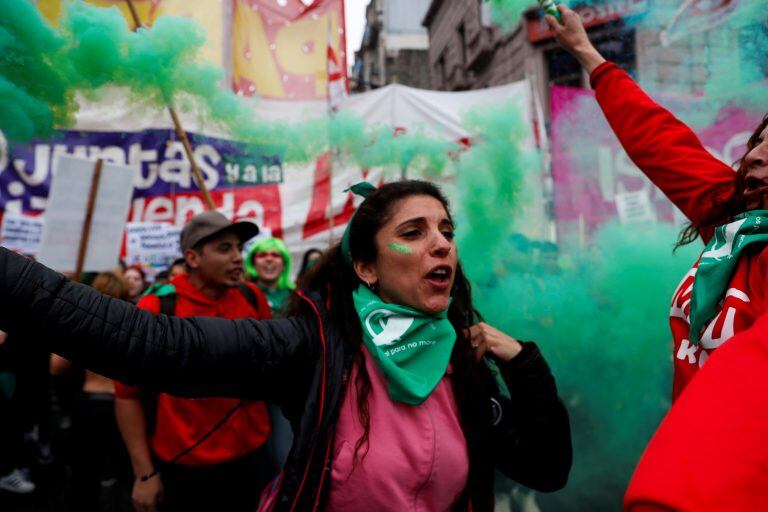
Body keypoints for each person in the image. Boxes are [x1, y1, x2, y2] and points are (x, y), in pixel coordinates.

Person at [0, 180, 572, 511]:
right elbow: (154, 346)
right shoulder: (315, 343)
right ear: (367, 267)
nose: (442, 245)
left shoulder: (461, 360)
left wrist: (525, 365)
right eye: (414, 232)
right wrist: (13, 281)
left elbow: (546, 469)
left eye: (447, 231)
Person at [548, 5, 768, 510]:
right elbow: (659, 140)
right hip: (692, 475)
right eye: (758, 142)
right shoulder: (730, 220)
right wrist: (585, 51)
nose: (755, 154)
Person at [113, 211, 276, 512]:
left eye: (239, 248)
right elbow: (127, 396)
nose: (238, 258)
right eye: (224, 249)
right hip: (185, 467)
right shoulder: (158, 306)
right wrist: (144, 472)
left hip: (253, 458)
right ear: (192, 257)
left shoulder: (252, 296)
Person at [50, 271, 134, 511]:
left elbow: (56, 366)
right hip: (125, 406)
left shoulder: (83, 323)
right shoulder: (134, 322)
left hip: (90, 404)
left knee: (85, 475)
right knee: (121, 475)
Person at [245, 237, 296, 319]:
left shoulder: (297, 297)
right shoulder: (242, 295)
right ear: (253, 263)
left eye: (275, 255)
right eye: (262, 255)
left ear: (284, 265)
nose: (269, 259)